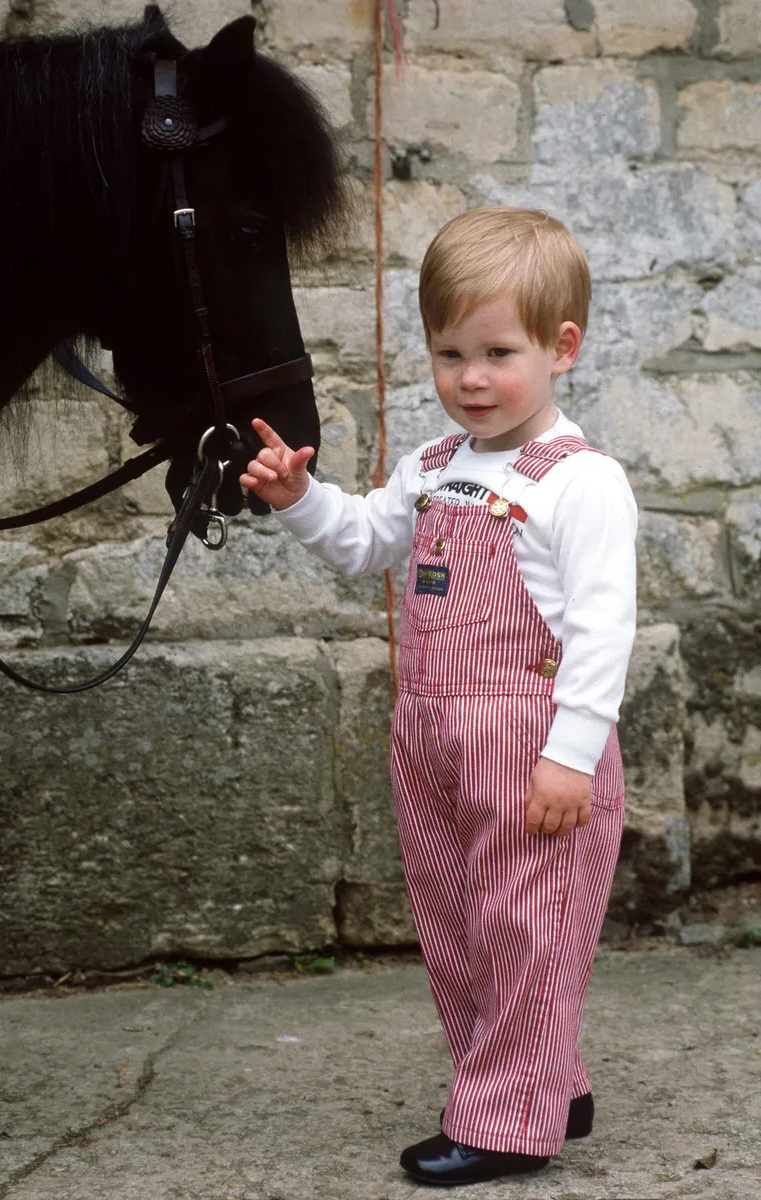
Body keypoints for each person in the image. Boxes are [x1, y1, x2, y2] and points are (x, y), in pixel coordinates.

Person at [239, 206, 637, 1187]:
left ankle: (507, 1123)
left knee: (524, 921)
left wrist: (569, 753)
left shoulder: (578, 483)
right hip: (429, 727)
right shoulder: (432, 466)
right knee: (456, 915)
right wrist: (300, 500)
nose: (468, 377)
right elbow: (365, 540)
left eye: (497, 352)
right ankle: (547, 1082)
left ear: (559, 348)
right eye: (448, 351)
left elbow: (601, 629)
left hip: (529, 736)